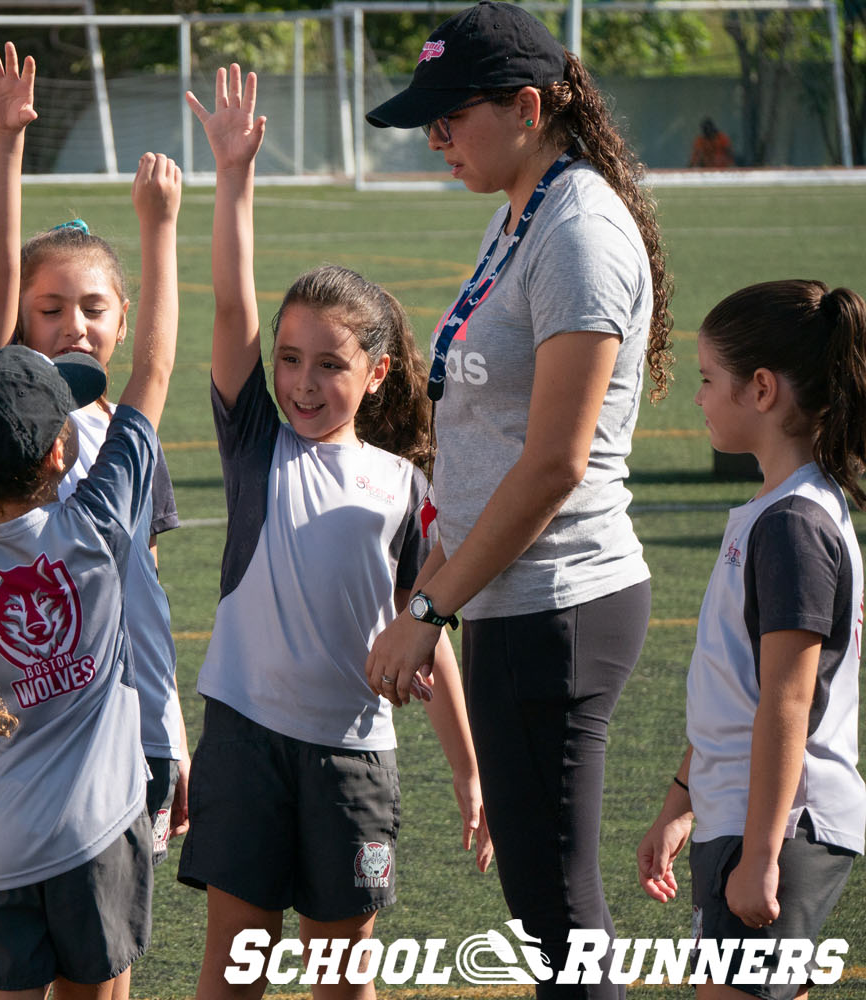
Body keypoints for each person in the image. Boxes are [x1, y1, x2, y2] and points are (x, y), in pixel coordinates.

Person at [363, 3, 675, 996]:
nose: (436, 138)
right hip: (515, 597)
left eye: (452, 116)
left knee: (558, 913)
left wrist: (428, 608)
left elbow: (553, 462)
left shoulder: (578, 229)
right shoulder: (525, 210)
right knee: (546, 908)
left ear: (529, 106)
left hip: (557, 604)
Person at [179, 65, 491, 1000]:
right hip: (244, 739)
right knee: (233, 971)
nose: (303, 383)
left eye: (328, 364)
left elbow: (426, 634)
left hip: (354, 760)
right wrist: (233, 175)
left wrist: (468, 776)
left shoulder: (407, 485)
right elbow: (232, 304)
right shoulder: (254, 446)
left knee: (344, 979)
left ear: (382, 371)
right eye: (288, 360)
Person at [0, 195, 178, 997]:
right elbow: (152, 369)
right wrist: (159, 230)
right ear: (64, 449)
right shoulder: (97, 524)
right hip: (97, 832)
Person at [0, 41, 190, 865]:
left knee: (105, 966)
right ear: (20, 323)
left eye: (93, 308)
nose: (73, 325)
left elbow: (145, 593)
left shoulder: (131, 438)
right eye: (49, 308)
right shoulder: (4, 415)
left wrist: (172, 723)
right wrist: (7, 138)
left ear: (120, 319)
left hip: (133, 727)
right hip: (30, 721)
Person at [637, 280, 866, 1000]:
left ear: (761, 389)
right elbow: (737, 689)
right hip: (744, 816)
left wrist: (762, 854)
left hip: (776, 825)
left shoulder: (794, 524)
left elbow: (788, 705)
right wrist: (682, 800)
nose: (698, 397)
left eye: (708, 379)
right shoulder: (776, 511)